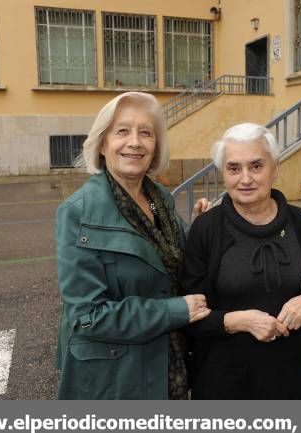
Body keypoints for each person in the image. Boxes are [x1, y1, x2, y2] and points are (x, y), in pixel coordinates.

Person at [55, 92, 211, 399]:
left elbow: (165, 260)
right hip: (114, 379)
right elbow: (88, 315)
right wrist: (176, 311)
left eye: (146, 133)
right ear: (102, 143)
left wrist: (196, 228)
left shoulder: (159, 201)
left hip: (165, 366)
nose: (135, 142)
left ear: (155, 147)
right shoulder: (78, 212)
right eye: (122, 131)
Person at [181, 123, 301, 399]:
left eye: (256, 166)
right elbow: (188, 316)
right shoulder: (206, 229)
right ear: (223, 174)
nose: (245, 178)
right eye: (234, 168)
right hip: (222, 382)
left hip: (288, 379)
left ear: (275, 168)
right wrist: (239, 321)